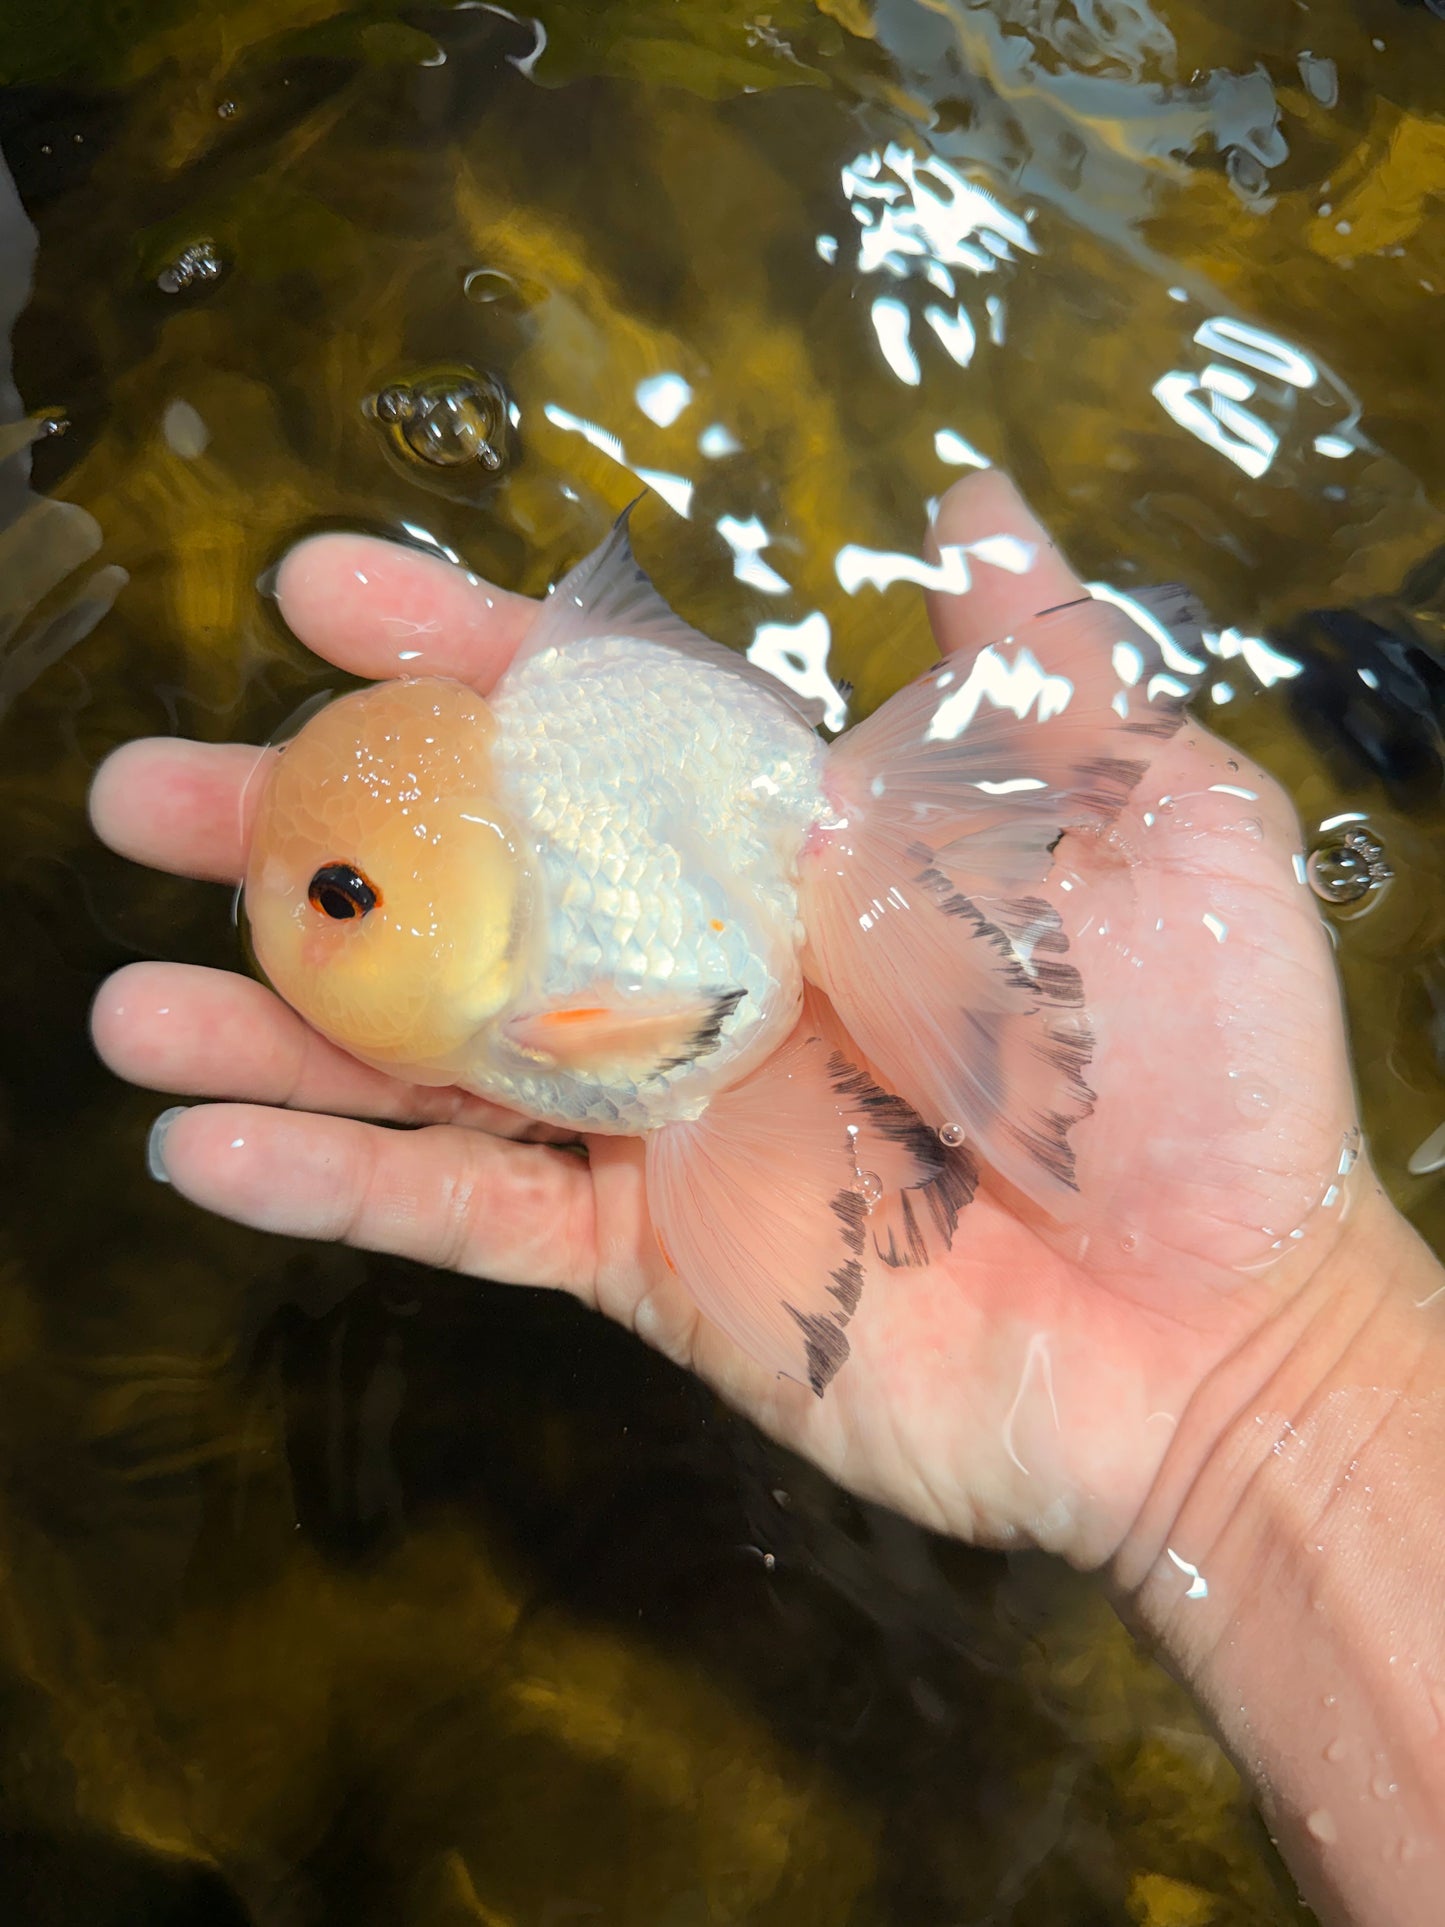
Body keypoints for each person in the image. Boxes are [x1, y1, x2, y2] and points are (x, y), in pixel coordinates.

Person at [88, 470, 1445, 1924]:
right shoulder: (547, 855)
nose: (289, 916)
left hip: (741, 909)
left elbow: (666, 1043)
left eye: (338, 896)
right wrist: (1282, 1385)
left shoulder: (558, 992)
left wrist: (1267, 1376)